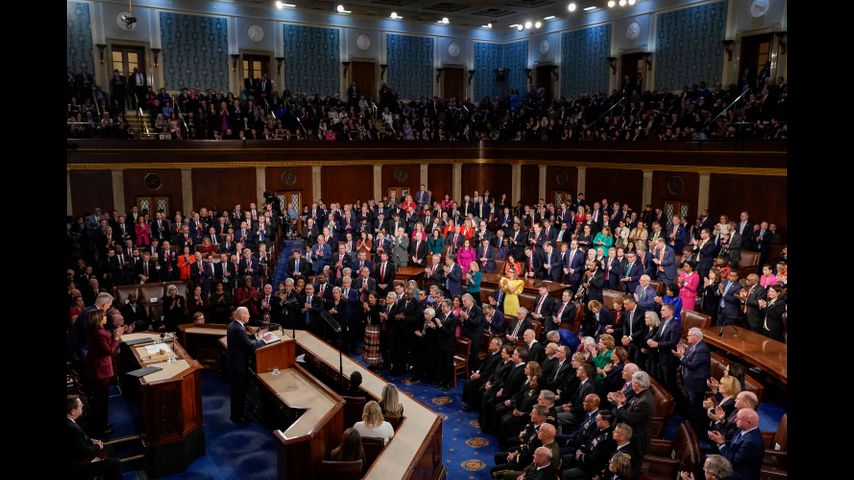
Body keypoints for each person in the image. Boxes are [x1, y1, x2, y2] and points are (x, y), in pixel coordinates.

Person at [226, 306, 269, 423]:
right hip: (238, 366)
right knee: (239, 393)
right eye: (248, 314)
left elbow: (243, 339)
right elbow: (251, 347)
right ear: (242, 316)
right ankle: (237, 417)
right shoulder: (238, 329)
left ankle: (237, 415)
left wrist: (256, 336)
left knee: (237, 393)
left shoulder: (234, 325)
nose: (249, 316)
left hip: (234, 364)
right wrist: (263, 340)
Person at [84, 309, 123, 436]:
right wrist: (117, 338)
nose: (106, 318)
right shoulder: (99, 333)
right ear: (99, 319)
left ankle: (101, 424)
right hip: (100, 370)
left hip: (96, 368)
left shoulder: (94, 331)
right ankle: (102, 427)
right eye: (104, 316)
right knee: (102, 400)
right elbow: (108, 351)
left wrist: (114, 336)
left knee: (100, 399)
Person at [66, 395, 122, 480]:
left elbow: (76, 441)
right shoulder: (71, 429)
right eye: (80, 406)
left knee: (109, 448)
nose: (83, 407)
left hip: (77, 454)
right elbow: (84, 452)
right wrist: (97, 446)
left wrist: (91, 441)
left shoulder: (69, 422)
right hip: (79, 466)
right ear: (73, 411)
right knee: (116, 463)